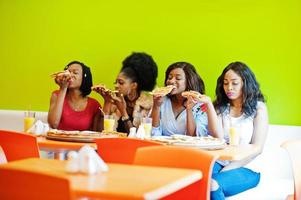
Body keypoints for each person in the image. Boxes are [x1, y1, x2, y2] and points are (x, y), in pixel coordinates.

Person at [210, 61, 269, 199]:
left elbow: (257, 148)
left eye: (234, 83)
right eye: (225, 83)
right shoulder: (220, 108)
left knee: (211, 183)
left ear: (245, 83)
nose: (229, 87)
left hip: (245, 166)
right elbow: (216, 140)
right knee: (195, 180)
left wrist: (227, 169)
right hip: (218, 162)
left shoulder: (259, 109)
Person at [151, 62, 222, 138]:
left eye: (178, 78)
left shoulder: (200, 105)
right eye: (169, 77)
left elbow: (194, 137)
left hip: (189, 149)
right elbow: (154, 134)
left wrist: (189, 110)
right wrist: (156, 106)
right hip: (164, 148)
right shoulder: (163, 101)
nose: (171, 81)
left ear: (189, 81)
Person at [94, 52, 158, 133]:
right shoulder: (113, 103)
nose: (116, 86)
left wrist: (123, 112)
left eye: (121, 82)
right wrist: (107, 102)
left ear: (134, 85)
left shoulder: (147, 106)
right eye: (115, 82)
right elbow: (101, 132)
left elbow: (138, 137)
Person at [48, 61, 102, 131]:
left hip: (83, 141)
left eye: (75, 73)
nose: (70, 75)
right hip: (60, 141)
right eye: (68, 72)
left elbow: (97, 134)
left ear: (84, 78)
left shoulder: (94, 105)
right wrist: (63, 88)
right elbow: (53, 124)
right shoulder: (56, 95)